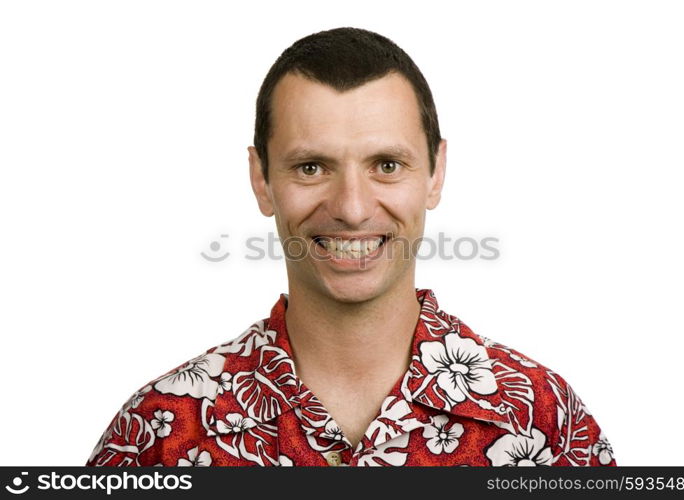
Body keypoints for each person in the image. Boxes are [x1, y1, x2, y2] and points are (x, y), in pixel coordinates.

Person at [86, 27, 616, 467]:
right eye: (311, 167)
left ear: (436, 175)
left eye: (387, 165)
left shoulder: (544, 423)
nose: (353, 208)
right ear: (262, 180)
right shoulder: (158, 433)